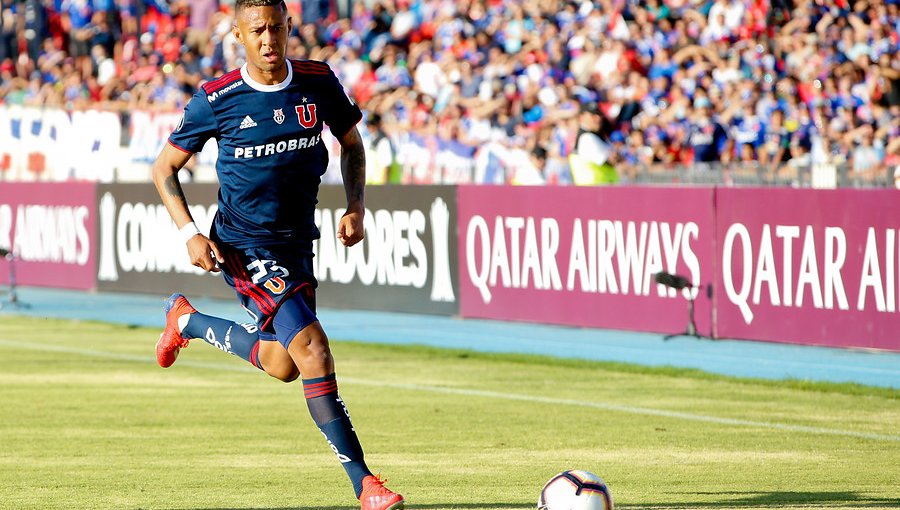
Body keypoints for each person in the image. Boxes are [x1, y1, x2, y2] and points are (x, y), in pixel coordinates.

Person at [149, 1, 404, 509]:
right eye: (257, 30)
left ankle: (188, 322)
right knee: (313, 349)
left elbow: (353, 145)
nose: (268, 39)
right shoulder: (217, 99)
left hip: (297, 244)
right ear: (239, 36)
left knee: (284, 364)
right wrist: (190, 233)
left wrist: (355, 205)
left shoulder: (318, 81)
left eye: (276, 28)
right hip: (245, 246)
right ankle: (365, 484)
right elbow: (164, 169)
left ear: (290, 28)